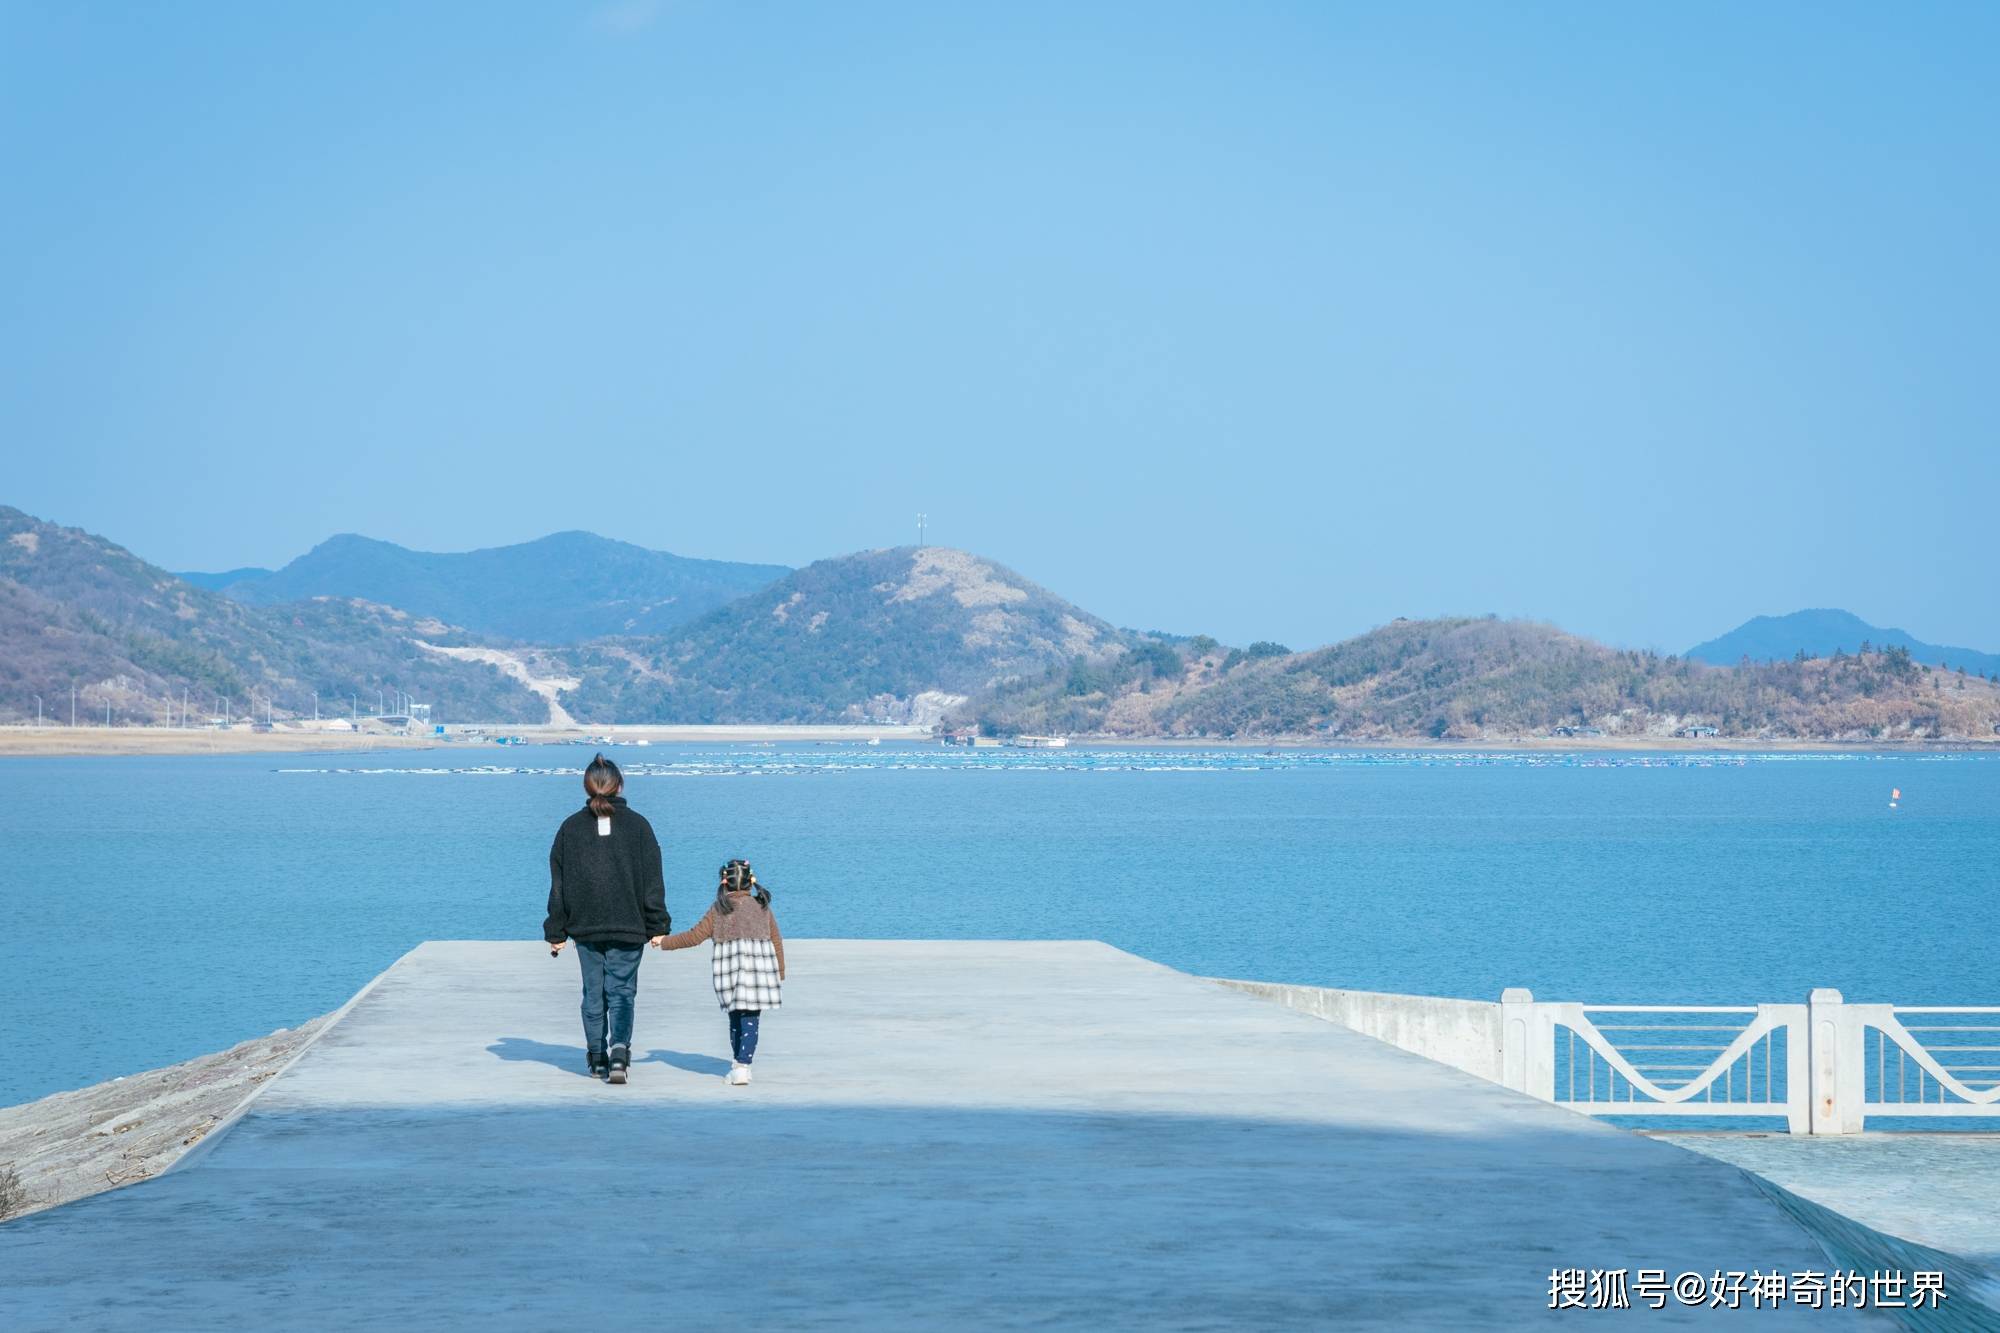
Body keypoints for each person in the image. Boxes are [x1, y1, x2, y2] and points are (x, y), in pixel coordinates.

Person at [544, 754, 669, 1084]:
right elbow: (652, 881)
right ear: (619, 785)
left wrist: (556, 931)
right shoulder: (639, 826)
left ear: (586, 786)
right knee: (622, 992)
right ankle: (618, 1054)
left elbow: (559, 884)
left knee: (593, 992)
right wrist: (657, 926)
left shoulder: (570, 828)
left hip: (585, 927)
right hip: (629, 925)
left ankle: (597, 1056)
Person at [656, 859, 783, 1086]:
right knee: (751, 1019)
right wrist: (779, 970)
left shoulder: (719, 909)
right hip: (759, 973)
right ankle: (742, 1065)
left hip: (730, 974)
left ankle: (740, 1064)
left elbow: (694, 936)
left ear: (724, 883)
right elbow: (776, 939)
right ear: (750, 882)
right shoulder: (762, 906)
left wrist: (664, 941)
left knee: (736, 1019)